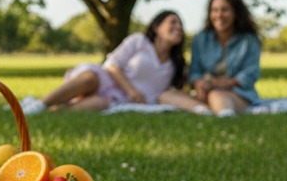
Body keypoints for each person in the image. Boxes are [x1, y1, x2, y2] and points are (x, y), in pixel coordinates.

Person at [20, 11, 187, 114]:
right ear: (157, 27)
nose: (178, 27)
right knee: (90, 77)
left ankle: (53, 112)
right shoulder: (139, 41)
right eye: (173, 22)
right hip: (108, 80)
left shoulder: (176, 64)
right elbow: (112, 65)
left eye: (180, 24)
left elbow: (182, 88)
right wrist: (131, 91)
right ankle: (39, 105)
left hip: (119, 99)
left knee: (98, 104)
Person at [166, 0, 262, 116]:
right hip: (205, 92)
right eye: (214, 10)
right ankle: (205, 110)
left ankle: (225, 116)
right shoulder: (200, 39)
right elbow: (195, 71)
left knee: (216, 95)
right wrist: (199, 83)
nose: (219, 15)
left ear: (236, 13)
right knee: (166, 96)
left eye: (225, 10)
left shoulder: (249, 40)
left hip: (237, 94)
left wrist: (226, 83)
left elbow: (251, 72)